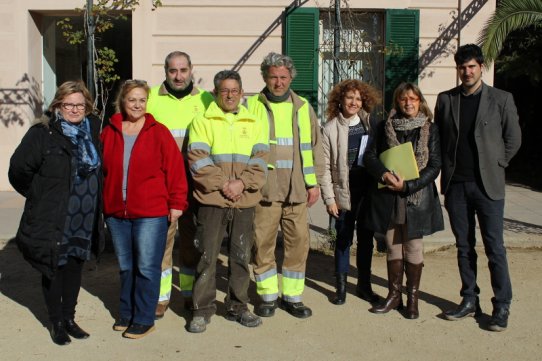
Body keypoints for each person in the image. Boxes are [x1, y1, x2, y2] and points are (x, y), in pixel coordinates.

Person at [9, 81, 104, 345]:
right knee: (54, 267)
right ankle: (56, 322)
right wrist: (40, 196)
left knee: (75, 266)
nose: (74, 109)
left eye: (80, 105)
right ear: (57, 105)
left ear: (87, 107)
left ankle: (70, 318)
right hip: (55, 215)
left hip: (84, 215)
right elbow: (18, 171)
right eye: (68, 104)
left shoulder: (93, 129)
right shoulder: (42, 133)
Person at [435, 44, 521, 331]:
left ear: (480, 67)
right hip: (456, 185)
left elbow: (513, 138)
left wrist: (498, 164)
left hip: (488, 187)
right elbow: (440, 138)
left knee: (494, 247)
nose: (467, 71)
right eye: (462, 67)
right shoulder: (447, 100)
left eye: (472, 66)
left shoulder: (501, 98)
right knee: (463, 247)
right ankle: (470, 299)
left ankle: (502, 305)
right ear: (457, 69)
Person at [101, 79, 188, 339]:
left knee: (147, 267)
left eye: (141, 100)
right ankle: (126, 313)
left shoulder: (158, 131)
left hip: (151, 212)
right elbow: (102, 172)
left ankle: (144, 318)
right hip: (117, 212)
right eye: (132, 99)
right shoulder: (110, 131)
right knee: (126, 266)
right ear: (122, 102)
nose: (137, 104)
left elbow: (175, 170)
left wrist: (177, 204)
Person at [186, 70, 268, 333]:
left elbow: (261, 160)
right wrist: (225, 184)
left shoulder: (254, 121)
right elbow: (198, 159)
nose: (230, 95)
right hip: (212, 200)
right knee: (207, 256)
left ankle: (238, 306)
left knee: (241, 256)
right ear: (216, 93)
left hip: (244, 201)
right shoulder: (202, 120)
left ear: (242, 94)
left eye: (234, 90)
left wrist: (241, 183)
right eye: (224, 90)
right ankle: (202, 310)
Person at [248, 52, 324, 319]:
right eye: (273, 77)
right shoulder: (252, 106)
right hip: (265, 190)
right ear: (265, 78)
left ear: (291, 77)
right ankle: (267, 296)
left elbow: (314, 147)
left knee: (298, 242)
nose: (278, 82)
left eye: (283, 77)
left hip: (298, 190)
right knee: (263, 243)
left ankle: (292, 296)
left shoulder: (303, 107)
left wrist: (314, 184)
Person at [363, 82, 444, 319]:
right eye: (403, 99)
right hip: (389, 196)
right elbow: (370, 157)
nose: (408, 103)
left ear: (420, 101)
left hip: (416, 197)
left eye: (413, 98)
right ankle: (394, 295)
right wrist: (384, 174)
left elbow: (435, 165)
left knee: (413, 247)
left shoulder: (430, 129)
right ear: (397, 102)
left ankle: (413, 299)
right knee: (392, 245)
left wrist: (408, 185)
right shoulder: (383, 126)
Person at [146, 51, 214, 318]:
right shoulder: (150, 98)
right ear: (165, 71)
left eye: (183, 70)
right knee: (162, 243)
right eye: (173, 70)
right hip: (162, 186)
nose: (178, 76)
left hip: (196, 184)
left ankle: (188, 294)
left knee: (192, 242)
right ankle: (161, 298)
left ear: (191, 70)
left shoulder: (206, 100)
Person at [320, 79, 381, 305]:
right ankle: (341, 287)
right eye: (349, 98)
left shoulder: (371, 124)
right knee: (343, 239)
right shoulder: (329, 129)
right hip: (342, 192)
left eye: (358, 98)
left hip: (368, 190)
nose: (354, 102)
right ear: (340, 100)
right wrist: (329, 199)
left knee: (366, 239)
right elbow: (324, 168)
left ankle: (364, 286)